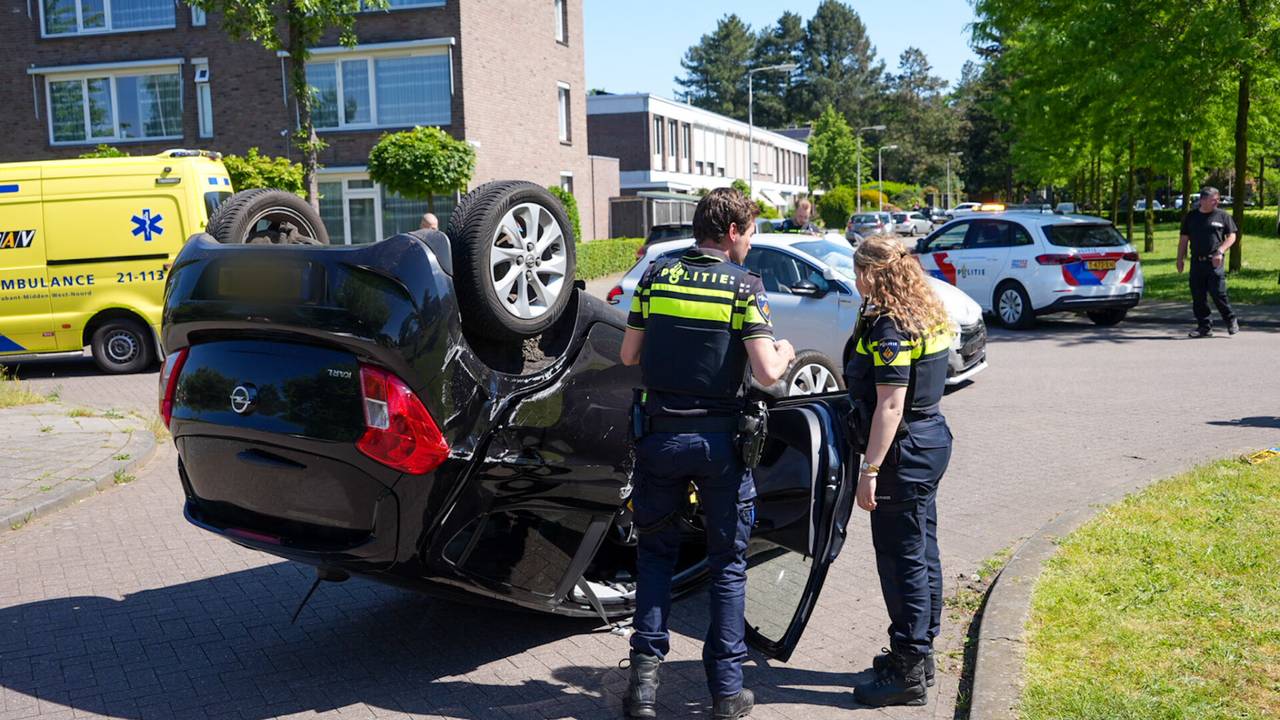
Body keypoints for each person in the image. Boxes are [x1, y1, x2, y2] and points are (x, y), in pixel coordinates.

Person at [618, 187, 796, 720]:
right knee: (727, 566)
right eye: (752, 232)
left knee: (654, 556)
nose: (752, 242)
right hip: (721, 446)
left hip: (659, 437)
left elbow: (629, 353)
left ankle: (643, 691)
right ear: (734, 232)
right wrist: (785, 352)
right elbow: (767, 373)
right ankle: (726, 693)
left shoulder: (656, 275)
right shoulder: (745, 287)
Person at [843, 235, 954, 708]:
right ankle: (920, 653)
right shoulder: (923, 311)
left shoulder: (890, 326)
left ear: (873, 273)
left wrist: (871, 469)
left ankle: (907, 671)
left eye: (857, 272)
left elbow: (889, 406)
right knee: (921, 550)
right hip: (929, 439)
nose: (854, 280)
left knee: (900, 559)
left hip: (902, 453)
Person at [1177, 186, 1238, 337]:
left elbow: (1232, 236)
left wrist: (1220, 251)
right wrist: (1180, 259)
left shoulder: (1223, 216)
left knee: (1218, 293)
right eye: (1213, 200)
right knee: (1198, 297)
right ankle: (1204, 327)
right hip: (1197, 262)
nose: (1217, 202)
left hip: (1214, 262)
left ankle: (1230, 319)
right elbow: (1184, 239)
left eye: (1217, 199)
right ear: (1203, 200)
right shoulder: (1191, 217)